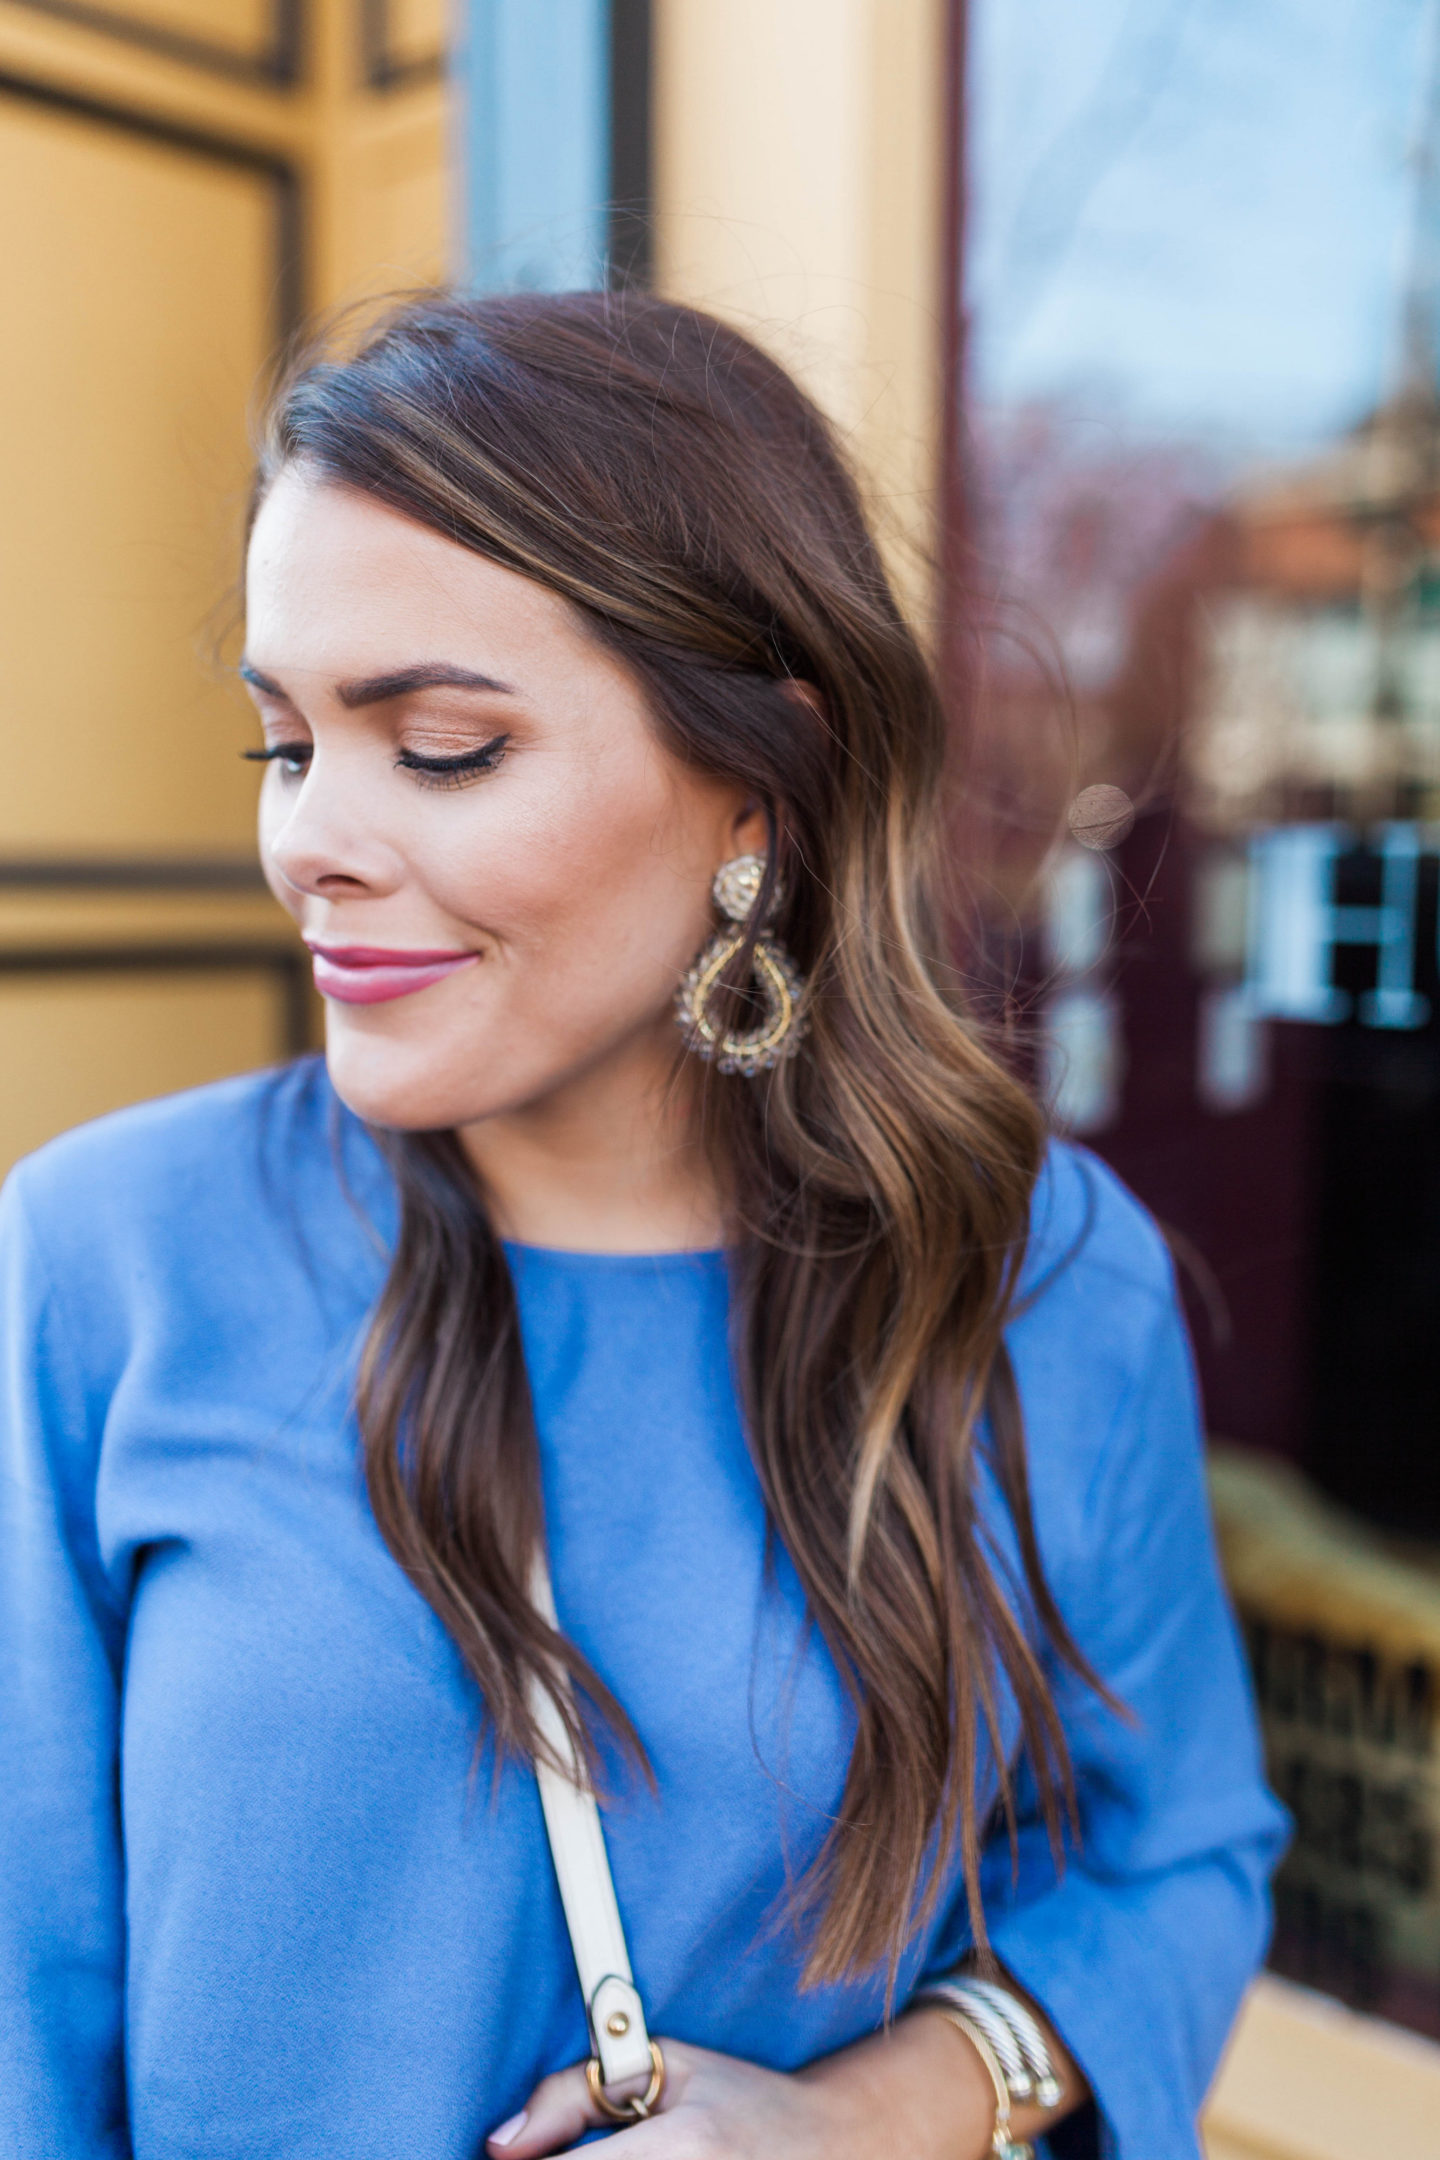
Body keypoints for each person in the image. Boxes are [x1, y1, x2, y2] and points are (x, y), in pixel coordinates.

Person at [0, 291, 1286, 2160]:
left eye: (438, 746)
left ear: (757, 785)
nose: (311, 843)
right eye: (284, 746)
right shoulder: (105, 1262)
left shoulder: (1028, 1274)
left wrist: (863, 2117)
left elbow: (1176, 1859)